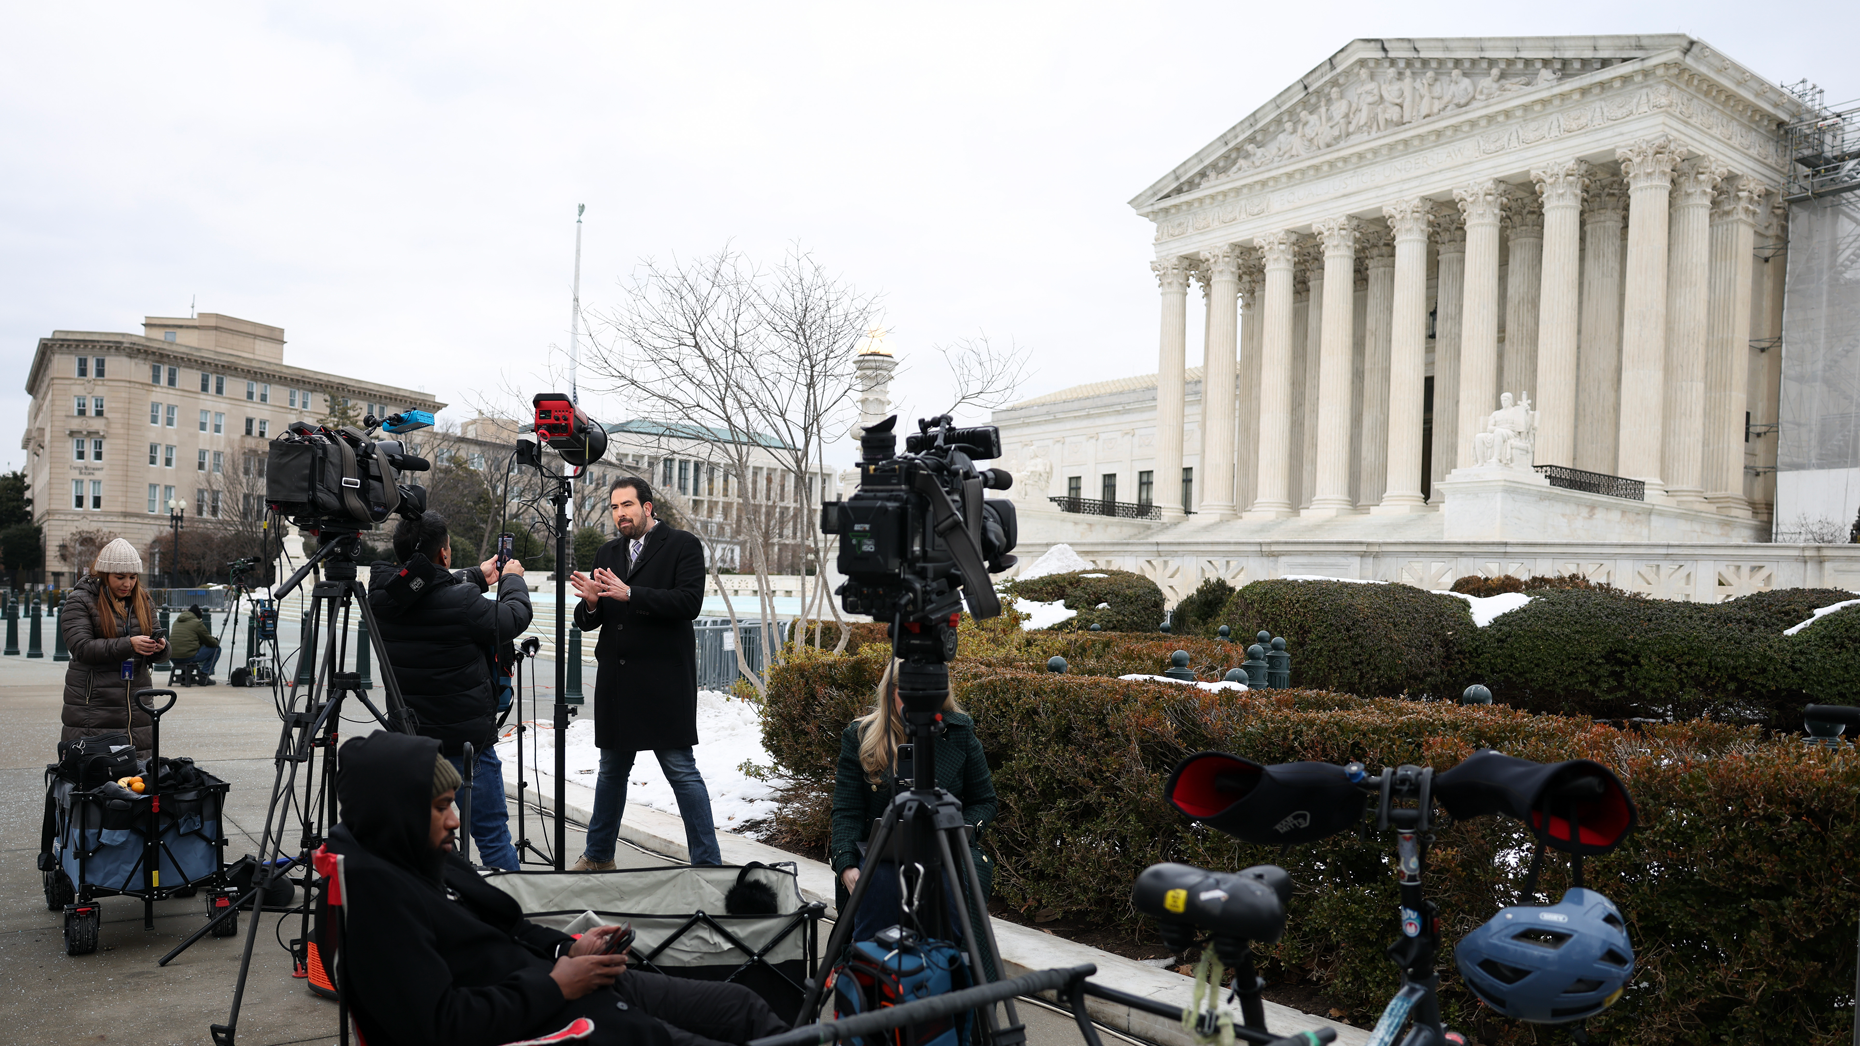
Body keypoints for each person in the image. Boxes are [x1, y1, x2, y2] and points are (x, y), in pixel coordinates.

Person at [329, 731, 789, 1046]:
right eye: (440, 807)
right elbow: (440, 1024)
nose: (455, 820)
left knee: (739, 1005)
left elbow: (510, 926)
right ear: (399, 815)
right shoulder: (378, 897)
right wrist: (555, 986)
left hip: (561, 984)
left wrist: (567, 951)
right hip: (544, 1013)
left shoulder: (424, 856)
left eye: (452, 804)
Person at [569, 477, 720, 870]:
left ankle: (709, 866)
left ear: (647, 507)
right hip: (617, 685)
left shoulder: (683, 545)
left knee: (682, 772)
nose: (620, 514)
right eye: (615, 507)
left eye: (627, 506)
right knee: (611, 774)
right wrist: (589, 604)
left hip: (663, 684)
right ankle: (599, 856)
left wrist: (631, 594)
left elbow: (689, 602)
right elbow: (591, 619)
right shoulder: (607, 550)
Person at [368, 513, 532, 871]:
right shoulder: (462, 604)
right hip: (466, 744)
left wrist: (476, 574)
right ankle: (512, 919)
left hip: (411, 742)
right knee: (490, 835)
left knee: (419, 836)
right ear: (444, 554)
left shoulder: (381, 599)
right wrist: (512, 581)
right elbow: (513, 618)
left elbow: (421, 588)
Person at [830, 658, 998, 944]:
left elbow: (984, 801)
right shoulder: (860, 737)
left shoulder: (959, 732)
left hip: (947, 845)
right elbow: (847, 811)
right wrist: (846, 864)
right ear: (889, 691)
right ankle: (871, 972)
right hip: (880, 850)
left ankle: (952, 971)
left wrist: (959, 830)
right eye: (908, 690)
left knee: (954, 887)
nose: (919, 699)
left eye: (929, 689)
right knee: (880, 884)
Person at [60, 538, 169, 755]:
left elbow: (160, 652)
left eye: (133, 577)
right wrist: (128, 644)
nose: (127, 584)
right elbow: (81, 648)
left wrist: (160, 648)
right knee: (98, 772)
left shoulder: (143, 601)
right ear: (104, 574)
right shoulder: (80, 601)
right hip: (94, 705)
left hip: (137, 702)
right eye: (120, 577)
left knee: (138, 774)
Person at [168, 603, 221, 684]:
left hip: (172, 656)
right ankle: (204, 675)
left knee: (188, 648)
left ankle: (185, 674)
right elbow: (210, 642)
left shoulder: (177, 621)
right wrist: (216, 641)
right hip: (187, 656)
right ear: (197, 616)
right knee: (216, 649)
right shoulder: (197, 623)